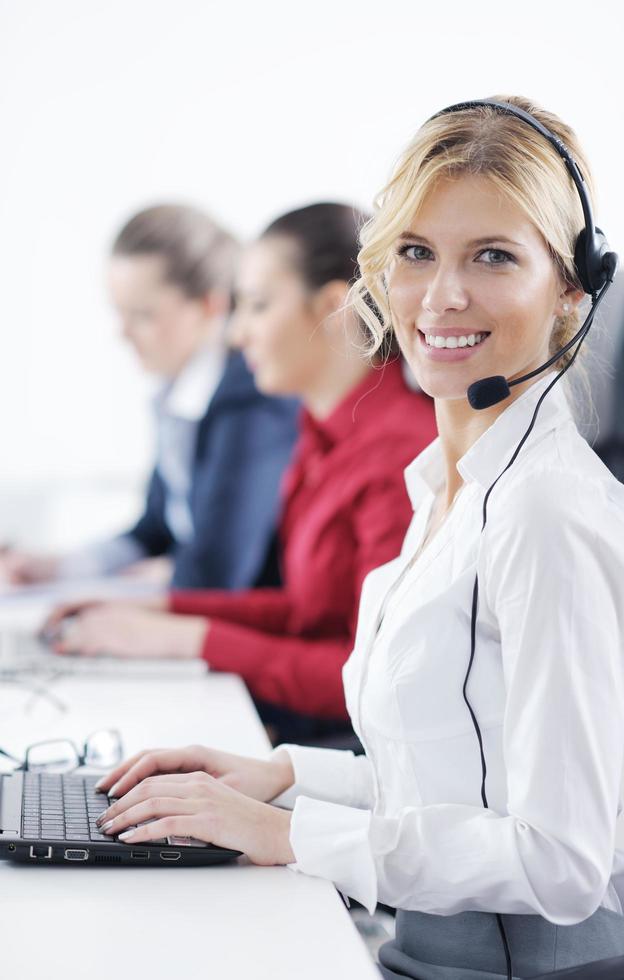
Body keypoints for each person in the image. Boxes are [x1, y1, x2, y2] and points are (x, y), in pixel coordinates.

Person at [90, 98, 624, 977]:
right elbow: (448, 782)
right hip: (422, 946)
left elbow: (563, 863)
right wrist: (278, 776)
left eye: (494, 256)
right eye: (416, 253)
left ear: (573, 288)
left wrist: (288, 834)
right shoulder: (445, 483)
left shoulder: (548, 513)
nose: (442, 295)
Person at [44, 203, 436, 736]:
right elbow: (304, 611)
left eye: (257, 306)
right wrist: (160, 609)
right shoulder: (320, 434)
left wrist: (184, 637)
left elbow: (372, 674)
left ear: (331, 307)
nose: (236, 334)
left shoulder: (398, 453)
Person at [0, 204, 298, 591]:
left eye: (142, 315)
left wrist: (161, 574)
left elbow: (217, 570)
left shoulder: (253, 399)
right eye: (119, 313)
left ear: (211, 305)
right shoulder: (176, 396)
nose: (123, 333)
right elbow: (155, 528)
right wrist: (61, 567)